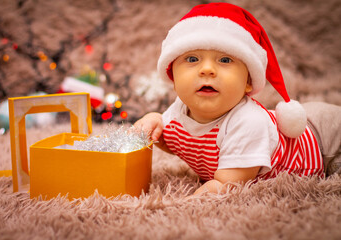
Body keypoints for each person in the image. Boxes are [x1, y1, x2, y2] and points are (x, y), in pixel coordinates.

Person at [134, 2, 341, 195]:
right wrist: (155, 124)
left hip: (325, 139)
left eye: (225, 60)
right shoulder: (179, 109)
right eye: (192, 59)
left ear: (248, 81)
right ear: (172, 74)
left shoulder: (248, 122)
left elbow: (228, 185)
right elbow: (177, 142)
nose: (207, 69)